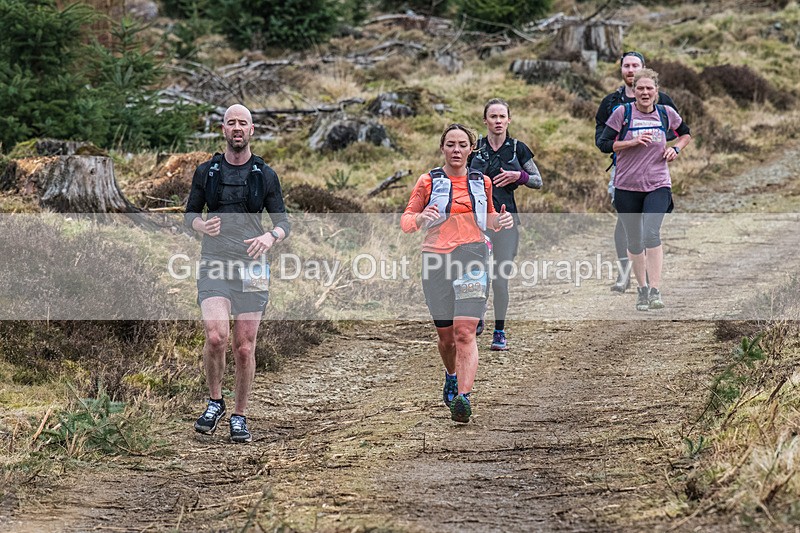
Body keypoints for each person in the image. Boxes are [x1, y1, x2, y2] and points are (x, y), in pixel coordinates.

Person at [185, 104, 290, 443]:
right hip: (215, 261)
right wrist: (203, 225)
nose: (237, 128)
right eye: (231, 123)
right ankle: (215, 402)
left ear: (252, 130)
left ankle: (240, 416)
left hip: (253, 267)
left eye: (242, 123)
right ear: (223, 129)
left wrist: (269, 237)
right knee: (216, 337)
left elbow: (283, 223)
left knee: (244, 347)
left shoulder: (265, 174)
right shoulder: (207, 171)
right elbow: (189, 216)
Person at [401, 124, 514, 423]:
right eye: (450, 144)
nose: (456, 150)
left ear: (470, 149)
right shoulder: (428, 181)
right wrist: (421, 217)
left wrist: (502, 220)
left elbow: (489, 220)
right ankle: (451, 374)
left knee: (465, 332)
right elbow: (405, 221)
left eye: (462, 145)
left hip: (473, 255)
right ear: (442, 148)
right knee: (447, 338)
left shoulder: (482, 181)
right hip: (436, 259)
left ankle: (463, 398)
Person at [595, 51, 691, 293]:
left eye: (635, 65)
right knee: (628, 230)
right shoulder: (613, 104)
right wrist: (630, 143)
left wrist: (674, 149)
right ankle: (627, 275)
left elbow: (682, 131)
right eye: (626, 65)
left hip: (656, 176)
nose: (645, 93)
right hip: (624, 172)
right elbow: (602, 140)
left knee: (650, 230)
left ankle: (651, 285)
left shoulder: (665, 106)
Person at [469, 98, 542, 351]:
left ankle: (499, 331)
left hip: (507, 220)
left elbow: (537, 180)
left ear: (509, 120)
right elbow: (456, 176)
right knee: (478, 274)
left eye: (502, 117)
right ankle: (477, 313)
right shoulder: (475, 149)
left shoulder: (517, 149)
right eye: (493, 117)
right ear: (485, 121)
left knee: (500, 278)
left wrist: (518, 176)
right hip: (476, 222)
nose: (498, 121)